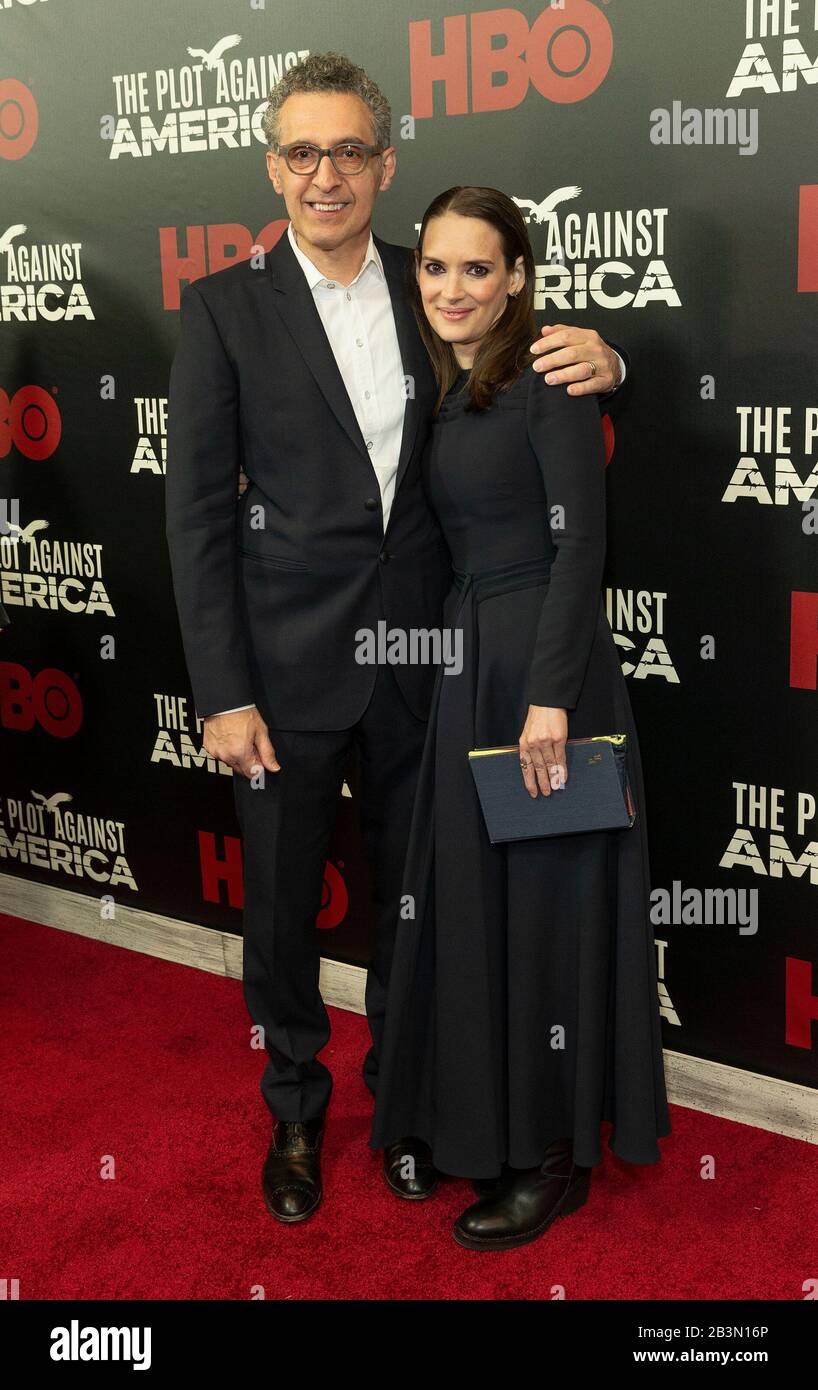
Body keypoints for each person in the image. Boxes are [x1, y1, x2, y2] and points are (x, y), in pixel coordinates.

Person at [164, 52, 630, 1226]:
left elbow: (523, 376)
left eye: (347, 152)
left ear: (383, 163)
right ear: (273, 167)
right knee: (280, 907)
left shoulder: (432, 284)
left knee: (423, 899)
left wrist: (611, 359)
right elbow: (196, 514)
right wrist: (221, 689)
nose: (324, 175)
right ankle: (295, 1109)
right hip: (282, 670)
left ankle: (404, 1102)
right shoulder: (223, 307)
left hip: (433, 663)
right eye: (301, 152)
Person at [370, 185, 671, 1250]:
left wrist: (549, 700)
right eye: (435, 267)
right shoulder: (448, 388)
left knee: (549, 911)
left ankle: (555, 1158)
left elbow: (580, 545)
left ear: (517, 278)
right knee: (479, 907)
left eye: (477, 268)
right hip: (469, 669)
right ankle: (481, 1125)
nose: (452, 288)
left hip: (547, 674)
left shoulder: (550, 374)